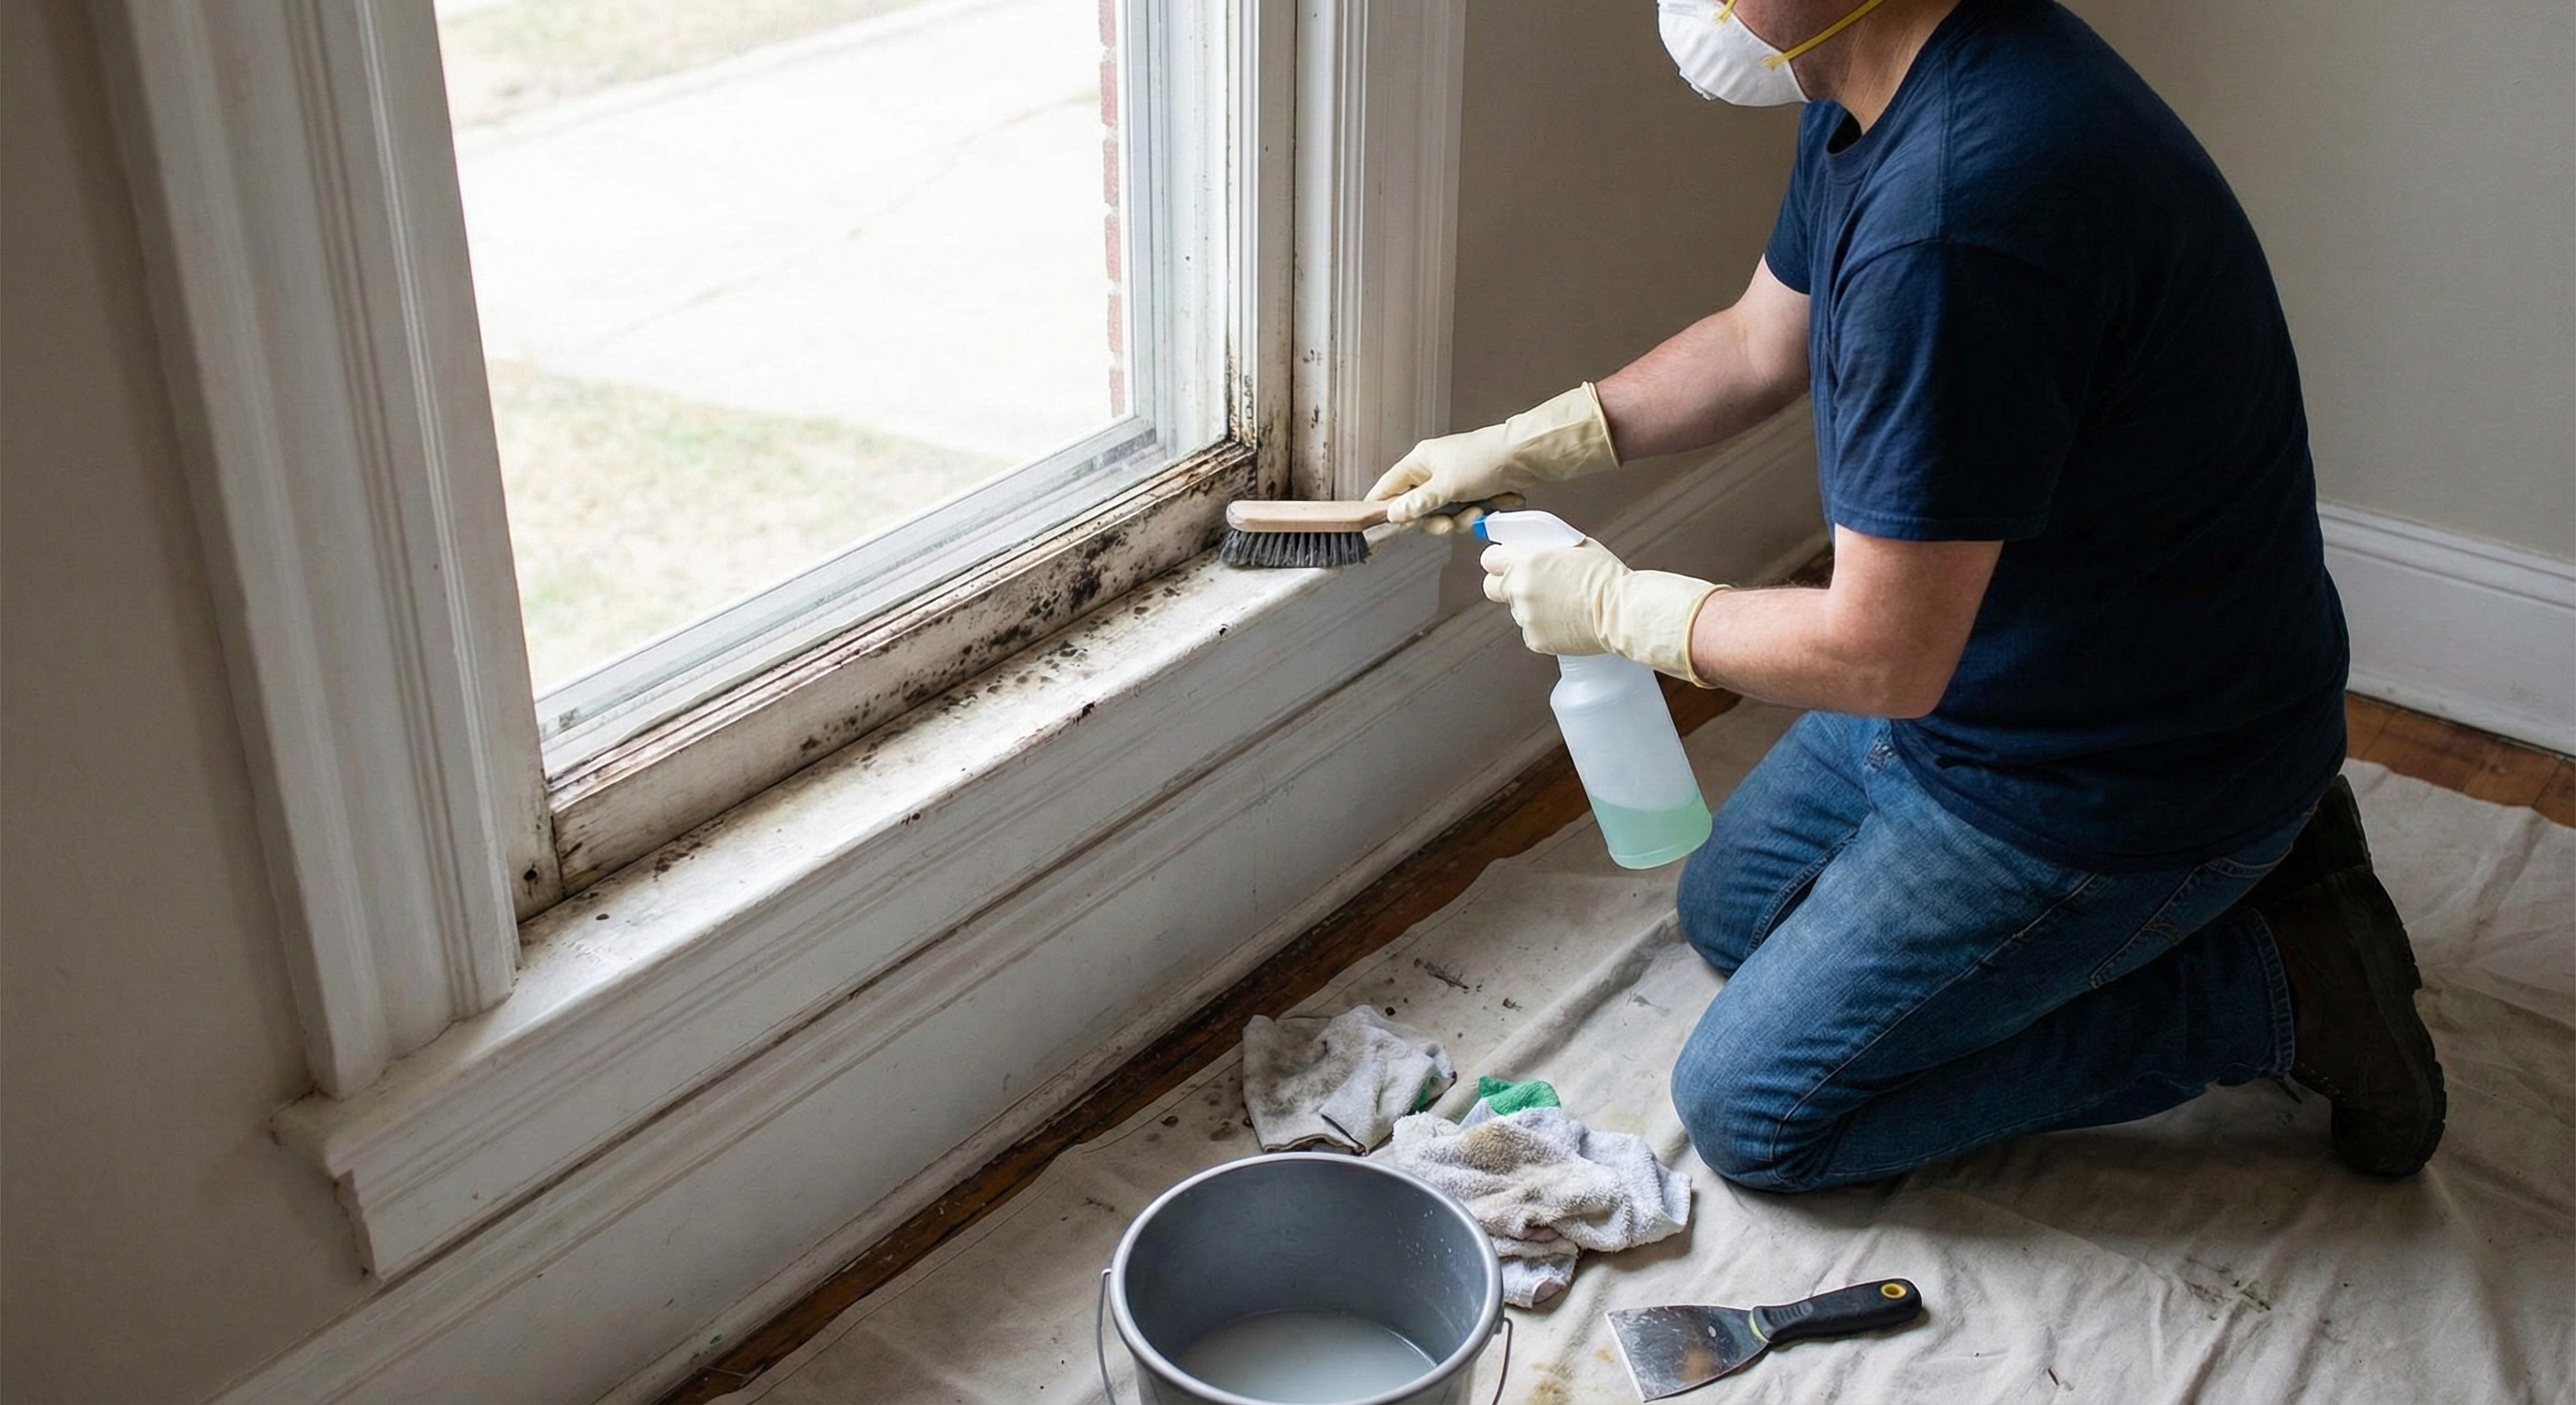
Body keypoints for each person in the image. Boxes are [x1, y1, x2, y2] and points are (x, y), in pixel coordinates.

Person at [1367, 0, 2444, 1191]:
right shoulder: (1883, 74)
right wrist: (1531, 440)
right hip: (2028, 670)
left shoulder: (1957, 218)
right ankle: (2246, 870)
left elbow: (1881, 657)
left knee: (1756, 1111)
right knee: (1727, 913)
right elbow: (1757, 342)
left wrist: (1625, 612)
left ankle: (2282, 990)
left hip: (2114, 768)